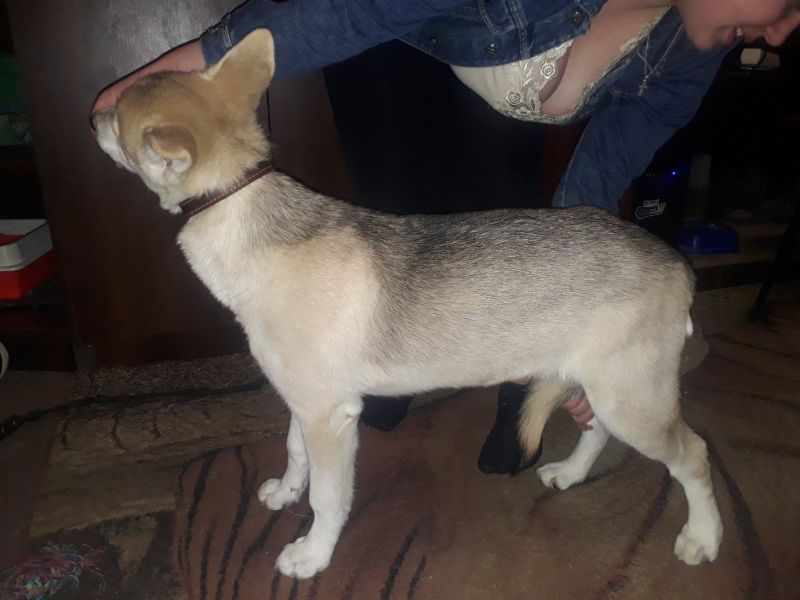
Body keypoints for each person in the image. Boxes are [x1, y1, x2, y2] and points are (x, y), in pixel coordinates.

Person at [91, 0, 800, 473]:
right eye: (789, 2)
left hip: (500, 106)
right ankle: (374, 383)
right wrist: (191, 65)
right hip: (394, 37)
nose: (784, 32)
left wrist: (577, 320)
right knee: (385, 211)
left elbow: (600, 175)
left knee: (492, 234)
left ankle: (510, 385)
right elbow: (358, 8)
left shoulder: (694, 53)